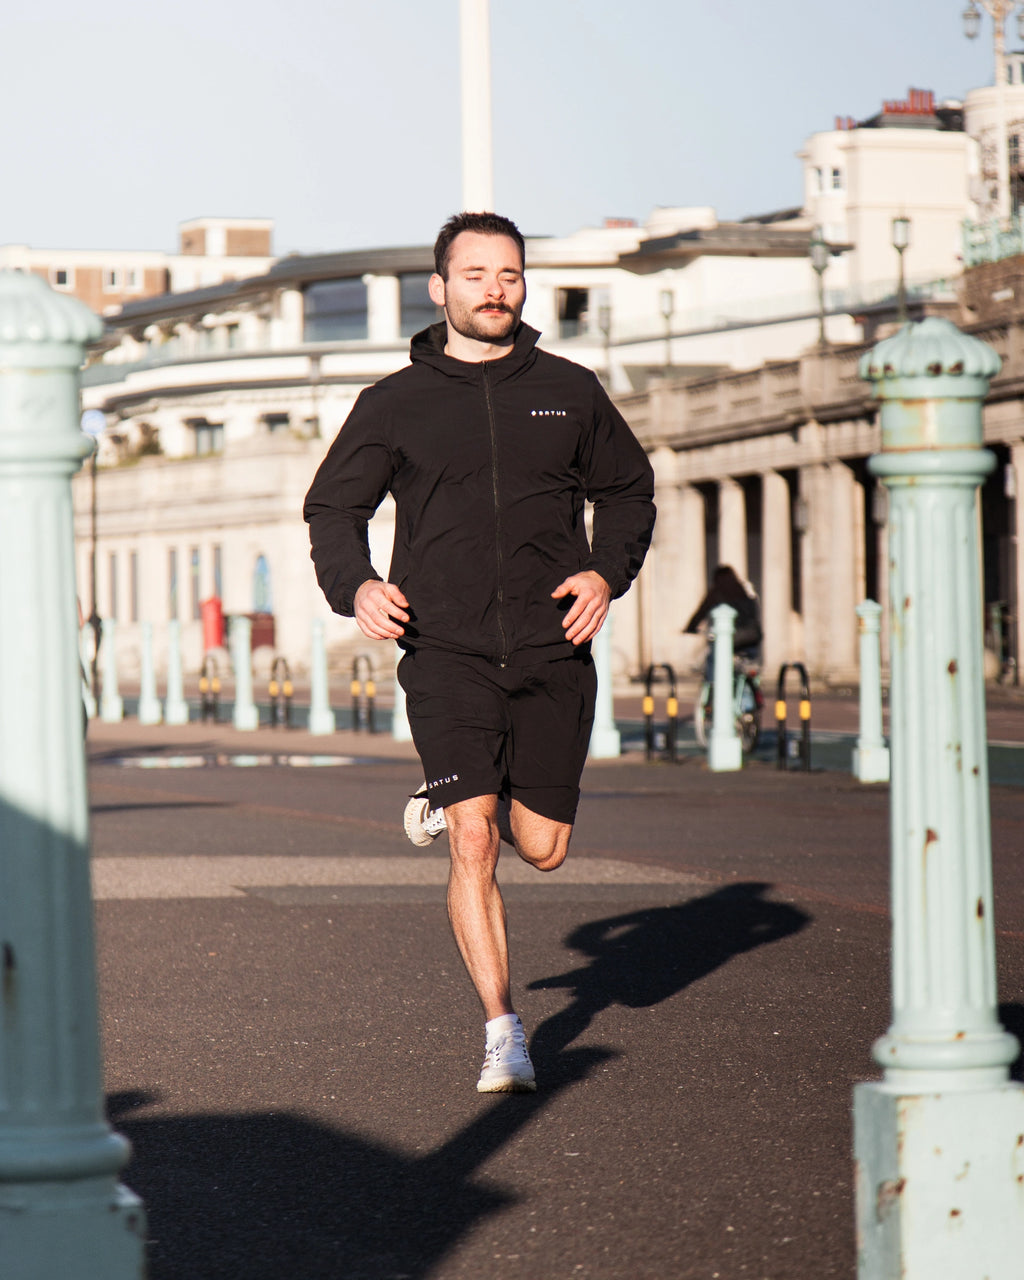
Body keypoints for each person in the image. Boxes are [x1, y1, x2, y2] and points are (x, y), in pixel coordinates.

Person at [304, 211, 655, 1094]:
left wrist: (606, 574)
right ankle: (504, 1029)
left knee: (541, 847)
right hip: (445, 647)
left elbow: (629, 493)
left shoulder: (572, 391)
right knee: (474, 840)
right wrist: (357, 585)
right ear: (441, 288)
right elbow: (332, 510)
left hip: (551, 646)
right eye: (475, 275)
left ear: (523, 283)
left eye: (508, 274)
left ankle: (468, 786)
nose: (494, 289)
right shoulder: (393, 404)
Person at [683, 565, 762, 675]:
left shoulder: (716, 593)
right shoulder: (744, 590)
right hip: (751, 638)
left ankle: (713, 684)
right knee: (747, 666)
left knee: (713, 659)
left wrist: (690, 628)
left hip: (734, 639)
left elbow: (701, 612)